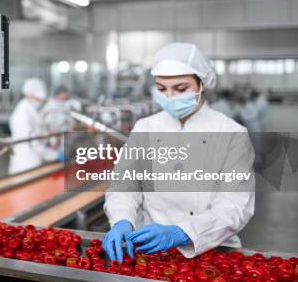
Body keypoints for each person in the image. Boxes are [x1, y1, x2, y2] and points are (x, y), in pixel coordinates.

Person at [103, 42, 255, 262]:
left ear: (201, 84)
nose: (170, 96)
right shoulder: (145, 128)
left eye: (181, 88)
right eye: (162, 89)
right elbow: (125, 185)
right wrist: (122, 220)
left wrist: (183, 232)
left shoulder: (232, 133)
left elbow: (234, 206)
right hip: (150, 251)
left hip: (211, 249)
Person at [8, 78, 57, 175]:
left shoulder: (31, 110)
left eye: (41, 100)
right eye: (38, 99)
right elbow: (33, 142)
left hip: (34, 161)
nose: (39, 102)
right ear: (28, 95)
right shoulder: (22, 114)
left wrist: (48, 136)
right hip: (25, 164)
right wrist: (53, 155)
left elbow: (37, 132)